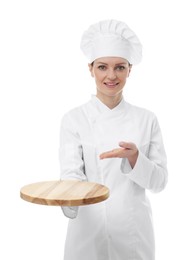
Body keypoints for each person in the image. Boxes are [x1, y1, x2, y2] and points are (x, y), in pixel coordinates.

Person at [59, 19, 168, 260]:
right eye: (102, 67)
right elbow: (71, 175)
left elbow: (160, 182)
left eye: (119, 67)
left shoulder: (146, 119)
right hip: (86, 233)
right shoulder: (74, 119)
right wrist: (66, 196)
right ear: (90, 69)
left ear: (130, 69)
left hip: (133, 234)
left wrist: (136, 159)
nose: (111, 75)